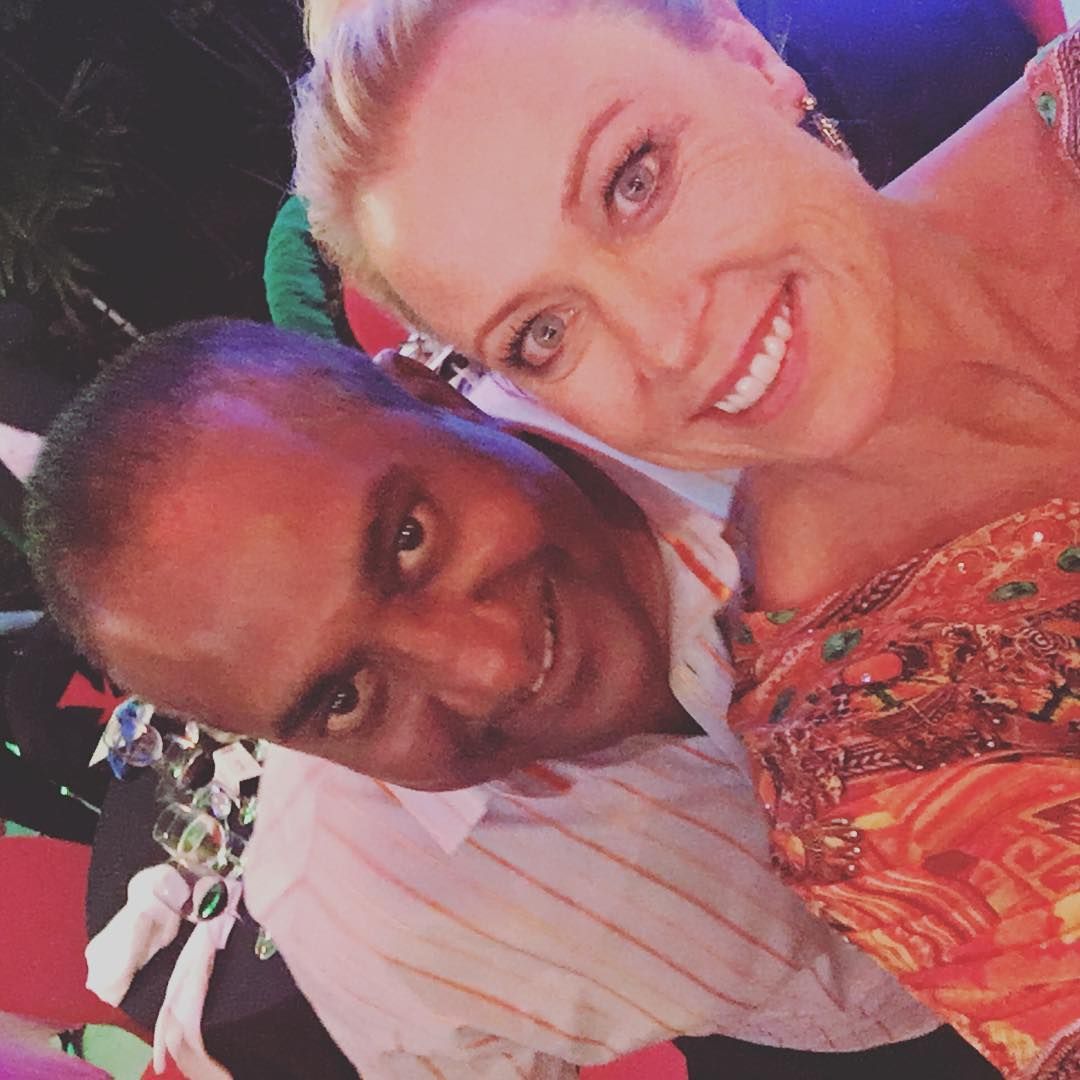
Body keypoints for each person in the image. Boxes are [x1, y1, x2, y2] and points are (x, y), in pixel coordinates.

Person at [288, 3, 1079, 1076]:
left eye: (634, 179)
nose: (665, 340)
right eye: (544, 332)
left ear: (750, 58)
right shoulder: (887, 756)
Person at [24, 319, 1005, 1079]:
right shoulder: (371, 919)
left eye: (409, 540)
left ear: (434, 396)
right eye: (346, 698)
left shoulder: (771, 393)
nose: (489, 669)